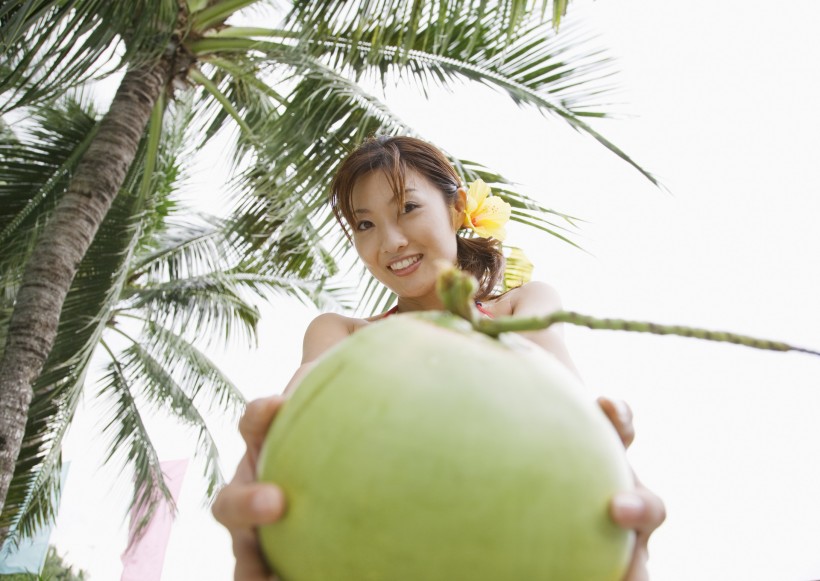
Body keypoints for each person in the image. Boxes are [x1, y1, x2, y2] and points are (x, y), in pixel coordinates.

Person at [212, 136, 666, 580]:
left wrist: (613, 498)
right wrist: (258, 466)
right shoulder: (341, 332)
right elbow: (290, 418)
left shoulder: (522, 305)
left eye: (407, 208)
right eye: (365, 225)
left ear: (456, 207)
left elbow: (574, 412)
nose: (389, 242)